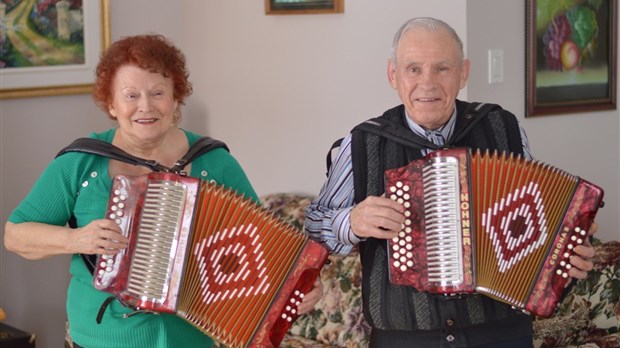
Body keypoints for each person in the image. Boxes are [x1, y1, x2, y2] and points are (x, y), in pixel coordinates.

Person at [4, 34, 322, 348]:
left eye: (158, 93)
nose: (146, 106)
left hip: (191, 338)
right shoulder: (82, 163)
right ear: (111, 104)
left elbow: (263, 247)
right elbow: (15, 235)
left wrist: (299, 287)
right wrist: (75, 239)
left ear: (175, 99)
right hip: (105, 337)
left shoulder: (213, 161)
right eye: (130, 95)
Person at [304, 17, 597, 348]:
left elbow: (537, 217)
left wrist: (567, 252)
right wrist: (352, 221)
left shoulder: (503, 127)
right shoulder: (361, 143)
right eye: (413, 69)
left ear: (463, 73)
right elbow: (314, 226)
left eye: (442, 68)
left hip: (501, 332)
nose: (427, 83)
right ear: (393, 75)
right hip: (404, 339)